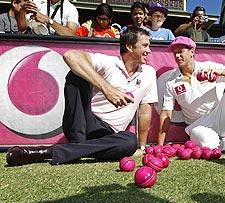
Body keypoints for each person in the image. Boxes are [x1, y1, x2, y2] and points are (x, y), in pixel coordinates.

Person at [6, 27, 158, 166]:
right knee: (76, 75)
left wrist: (142, 145)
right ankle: (77, 143)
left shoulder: (149, 72)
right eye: (145, 45)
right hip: (84, 121)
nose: (149, 50)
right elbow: (70, 56)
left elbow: (145, 109)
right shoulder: (109, 62)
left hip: (108, 135)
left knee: (130, 141)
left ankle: (52, 151)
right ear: (130, 47)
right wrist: (107, 89)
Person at [157, 36, 225, 150]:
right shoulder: (171, 81)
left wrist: (219, 72)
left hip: (219, 115)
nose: (177, 56)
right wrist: (159, 146)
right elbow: (166, 113)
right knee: (205, 142)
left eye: (180, 51)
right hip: (197, 125)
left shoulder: (208, 67)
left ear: (192, 52)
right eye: (175, 53)